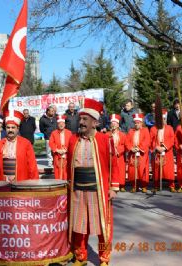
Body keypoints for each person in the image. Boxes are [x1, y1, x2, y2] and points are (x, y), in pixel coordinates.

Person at [67, 98, 119, 266]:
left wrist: (114, 187)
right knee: (79, 225)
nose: (80, 122)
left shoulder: (105, 140)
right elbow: (69, 165)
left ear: (95, 122)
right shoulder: (73, 140)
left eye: (85, 119)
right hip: (77, 189)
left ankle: (104, 258)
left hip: (99, 190)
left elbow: (114, 165)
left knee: (103, 226)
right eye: (80, 119)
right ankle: (80, 256)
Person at [0, 110, 39, 182]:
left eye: (13, 127)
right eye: (8, 127)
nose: (10, 130)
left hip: (21, 181)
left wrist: (34, 183)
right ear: (5, 128)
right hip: (3, 182)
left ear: (18, 129)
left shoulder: (26, 143)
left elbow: (32, 165)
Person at [150, 109, 176, 193]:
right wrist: (156, 147)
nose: (162, 121)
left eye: (164, 119)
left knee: (169, 170)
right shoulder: (153, 128)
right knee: (157, 169)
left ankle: (171, 185)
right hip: (157, 152)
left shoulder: (170, 128)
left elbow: (172, 139)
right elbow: (151, 140)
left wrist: (165, 147)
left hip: (167, 152)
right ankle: (156, 185)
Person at [125, 113, 151, 193]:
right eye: (135, 123)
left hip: (142, 154)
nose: (136, 124)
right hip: (133, 153)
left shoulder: (145, 130)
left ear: (141, 123)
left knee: (142, 169)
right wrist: (131, 148)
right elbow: (127, 142)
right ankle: (134, 185)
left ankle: (143, 186)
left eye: (138, 123)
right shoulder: (130, 131)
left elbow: (147, 141)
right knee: (133, 170)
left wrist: (139, 148)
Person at [107, 114, 127, 192]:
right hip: (110, 155)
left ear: (118, 125)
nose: (113, 125)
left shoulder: (122, 135)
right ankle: (111, 184)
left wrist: (117, 150)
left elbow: (124, 145)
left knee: (120, 170)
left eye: (115, 124)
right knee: (111, 170)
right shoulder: (107, 134)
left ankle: (121, 185)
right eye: (112, 124)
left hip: (119, 156)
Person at [49, 115, 72, 180]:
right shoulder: (54, 133)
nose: (61, 125)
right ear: (57, 124)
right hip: (57, 155)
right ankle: (59, 185)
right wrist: (57, 150)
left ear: (65, 124)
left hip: (66, 155)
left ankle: (66, 185)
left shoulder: (69, 132)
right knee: (57, 170)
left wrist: (66, 150)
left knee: (66, 170)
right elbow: (51, 143)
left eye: (62, 123)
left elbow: (71, 143)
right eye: (59, 124)